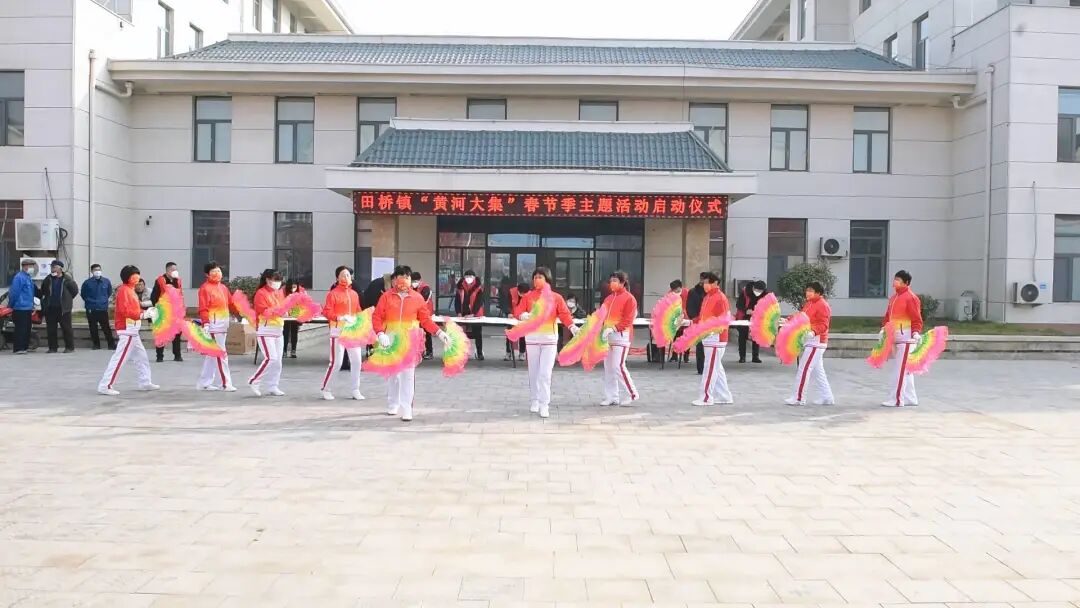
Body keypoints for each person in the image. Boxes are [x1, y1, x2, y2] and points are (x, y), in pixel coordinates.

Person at [372, 265, 450, 421]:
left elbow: (425, 320)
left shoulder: (417, 298)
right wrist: (380, 333)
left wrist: (439, 332)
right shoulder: (386, 297)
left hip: (410, 339)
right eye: (401, 277)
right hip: (391, 339)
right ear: (394, 279)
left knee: (408, 375)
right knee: (393, 374)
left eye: (407, 277)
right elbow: (377, 317)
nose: (404, 280)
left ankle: (407, 407)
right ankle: (393, 403)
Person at [513, 268, 577, 418]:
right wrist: (523, 315)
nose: (537, 280)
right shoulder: (528, 296)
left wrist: (572, 327)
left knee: (545, 374)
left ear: (547, 279)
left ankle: (544, 404)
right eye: (535, 277)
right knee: (533, 373)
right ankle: (535, 400)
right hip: (532, 339)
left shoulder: (556, 297)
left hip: (549, 340)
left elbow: (565, 314)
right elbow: (517, 311)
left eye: (540, 277)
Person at [97, 265, 159, 395]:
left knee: (141, 357)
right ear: (128, 277)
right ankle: (105, 385)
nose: (137, 278)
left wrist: (146, 312)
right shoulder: (124, 291)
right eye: (134, 275)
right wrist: (143, 315)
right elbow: (125, 311)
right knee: (119, 359)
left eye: (138, 274)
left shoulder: (130, 290)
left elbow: (134, 309)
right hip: (127, 329)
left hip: (132, 330)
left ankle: (145, 381)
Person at [320, 265, 366, 401]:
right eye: (343, 275)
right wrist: (339, 317)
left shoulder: (354, 294)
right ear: (337, 278)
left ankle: (355, 389)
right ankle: (326, 388)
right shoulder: (333, 294)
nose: (346, 277)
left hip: (352, 331)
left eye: (348, 275)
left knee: (357, 361)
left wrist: (359, 319)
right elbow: (327, 311)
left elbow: (358, 310)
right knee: (336, 362)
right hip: (338, 331)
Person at [785, 282, 834, 406]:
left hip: (816, 342)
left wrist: (813, 332)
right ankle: (827, 397)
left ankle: (799, 398)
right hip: (811, 341)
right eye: (807, 290)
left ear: (818, 292)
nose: (808, 293)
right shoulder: (809, 303)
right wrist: (788, 319)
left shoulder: (823, 305)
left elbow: (824, 324)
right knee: (818, 371)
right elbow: (801, 317)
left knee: (804, 369)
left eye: (811, 291)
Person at [881, 270, 923, 407]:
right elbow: (888, 317)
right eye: (895, 279)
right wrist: (884, 329)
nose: (895, 282)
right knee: (906, 371)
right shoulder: (893, 298)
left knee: (900, 371)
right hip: (896, 338)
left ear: (906, 283)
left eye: (898, 280)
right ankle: (910, 398)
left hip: (906, 339)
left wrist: (915, 333)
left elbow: (916, 319)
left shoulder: (911, 298)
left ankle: (896, 399)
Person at [692, 272, 733, 406]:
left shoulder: (720, 298)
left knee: (710, 368)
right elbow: (703, 317)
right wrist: (692, 322)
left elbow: (724, 318)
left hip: (716, 338)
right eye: (703, 283)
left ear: (715, 283)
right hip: (708, 336)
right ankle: (724, 396)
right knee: (716, 368)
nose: (704, 285)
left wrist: (712, 330)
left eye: (707, 282)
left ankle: (706, 397)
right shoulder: (707, 297)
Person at [599, 271, 639, 406]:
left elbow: (628, 320)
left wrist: (614, 328)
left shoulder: (629, 299)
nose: (612, 283)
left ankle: (632, 394)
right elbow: (601, 316)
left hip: (621, 337)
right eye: (611, 281)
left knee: (618, 366)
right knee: (609, 368)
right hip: (608, 337)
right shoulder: (608, 299)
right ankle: (612, 396)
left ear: (623, 283)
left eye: (615, 281)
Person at [196, 261, 237, 392]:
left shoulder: (223, 288)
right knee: (221, 354)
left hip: (223, 324)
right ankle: (225, 383)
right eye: (214, 271)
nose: (217, 273)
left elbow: (231, 303)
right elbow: (203, 308)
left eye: (219, 271)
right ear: (207, 274)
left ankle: (204, 383)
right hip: (213, 325)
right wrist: (206, 323)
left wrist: (242, 311)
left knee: (212, 355)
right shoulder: (205, 288)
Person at [248, 269, 286, 397]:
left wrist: (285, 311)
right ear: (267, 280)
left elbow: (283, 307)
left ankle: (273, 386)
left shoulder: (279, 292)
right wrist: (277, 310)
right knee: (271, 358)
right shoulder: (261, 293)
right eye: (275, 280)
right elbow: (262, 311)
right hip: (266, 330)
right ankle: (254, 381)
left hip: (278, 330)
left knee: (278, 361)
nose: (277, 282)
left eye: (279, 280)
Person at [38, 259, 78, 353]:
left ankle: (69, 347)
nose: (52, 269)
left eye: (54, 267)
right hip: (50, 308)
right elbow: (43, 290)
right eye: (52, 267)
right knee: (51, 329)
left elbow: (74, 291)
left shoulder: (67, 279)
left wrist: (67, 300)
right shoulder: (48, 279)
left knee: (66, 328)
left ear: (60, 269)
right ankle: (53, 347)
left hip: (63, 308)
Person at [151, 261, 183, 362]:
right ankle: (159, 356)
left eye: (176, 269)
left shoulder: (177, 281)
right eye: (173, 270)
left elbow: (180, 295)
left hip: (175, 312)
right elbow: (154, 297)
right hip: (163, 312)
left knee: (177, 334)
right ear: (168, 270)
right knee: (161, 334)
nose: (175, 271)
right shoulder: (160, 281)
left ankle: (177, 355)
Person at [80, 263, 114, 350]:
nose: (97, 271)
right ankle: (96, 345)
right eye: (95, 270)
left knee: (106, 327)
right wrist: (90, 301)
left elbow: (109, 292)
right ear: (92, 271)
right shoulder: (87, 283)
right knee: (93, 328)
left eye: (99, 269)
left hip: (102, 307)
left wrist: (103, 300)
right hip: (91, 308)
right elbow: (83, 294)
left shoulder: (106, 281)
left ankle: (111, 344)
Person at [453, 269, 486, 360]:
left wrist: (473, 313)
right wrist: (458, 312)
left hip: (476, 314)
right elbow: (457, 301)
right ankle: (462, 352)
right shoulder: (460, 287)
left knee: (477, 333)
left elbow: (479, 302)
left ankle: (479, 352)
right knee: (461, 333)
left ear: (474, 278)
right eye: (467, 276)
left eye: (470, 277)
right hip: (463, 314)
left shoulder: (479, 288)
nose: (468, 278)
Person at [735, 280, 768, 363]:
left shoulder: (765, 295)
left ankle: (755, 357)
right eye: (757, 290)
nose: (758, 292)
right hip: (744, 317)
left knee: (756, 337)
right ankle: (742, 357)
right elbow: (738, 304)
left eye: (760, 291)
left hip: (757, 318)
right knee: (742, 337)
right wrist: (746, 310)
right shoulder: (745, 292)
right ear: (753, 288)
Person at [9, 259, 37, 355]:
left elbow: (30, 293)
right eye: (31, 266)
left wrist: (32, 305)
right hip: (20, 307)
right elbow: (14, 293)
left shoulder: (28, 277)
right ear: (25, 266)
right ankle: (18, 348)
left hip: (27, 307)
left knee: (27, 329)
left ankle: (24, 347)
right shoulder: (19, 277)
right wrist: (11, 305)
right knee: (21, 329)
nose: (33, 268)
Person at [684, 272, 708, 374]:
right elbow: (689, 307)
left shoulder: (711, 292)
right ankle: (701, 368)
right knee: (700, 346)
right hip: (698, 322)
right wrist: (695, 318)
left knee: (710, 347)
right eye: (703, 279)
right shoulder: (693, 292)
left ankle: (709, 367)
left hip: (710, 323)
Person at [501, 280, 528, 360]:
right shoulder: (512, 292)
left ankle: (522, 353)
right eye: (521, 293)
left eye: (524, 293)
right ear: (518, 290)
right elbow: (507, 304)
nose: (522, 295)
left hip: (523, 317)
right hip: (512, 317)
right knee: (510, 334)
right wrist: (508, 312)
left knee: (522, 335)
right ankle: (508, 353)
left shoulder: (529, 294)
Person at [412, 271, 435, 360]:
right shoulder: (411, 288)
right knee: (416, 333)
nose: (413, 283)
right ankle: (419, 351)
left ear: (419, 280)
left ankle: (429, 351)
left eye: (415, 281)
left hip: (426, 314)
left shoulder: (426, 288)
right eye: (412, 281)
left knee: (427, 332)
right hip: (415, 314)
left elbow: (423, 301)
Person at [666, 279, 690, 363]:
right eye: (673, 290)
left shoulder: (687, 293)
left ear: (680, 287)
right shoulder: (670, 294)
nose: (675, 292)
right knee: (676, 336)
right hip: (675, 318)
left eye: (676, 290)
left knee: (687, 337)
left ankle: (686, 356)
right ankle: (674, 355)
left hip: (686, 317)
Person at [282, 279, 305, 359]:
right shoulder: (283, 291)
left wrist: (297, 313)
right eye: (291, 287)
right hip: (286, 311)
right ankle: (284, 350)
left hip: (296, 310)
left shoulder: (301, 291)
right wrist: (285, 312)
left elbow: (303, 302)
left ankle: (293, 351)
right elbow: (281, 302)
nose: (293, 289)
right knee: (285, 331)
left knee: (294, 331)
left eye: (295, 287)